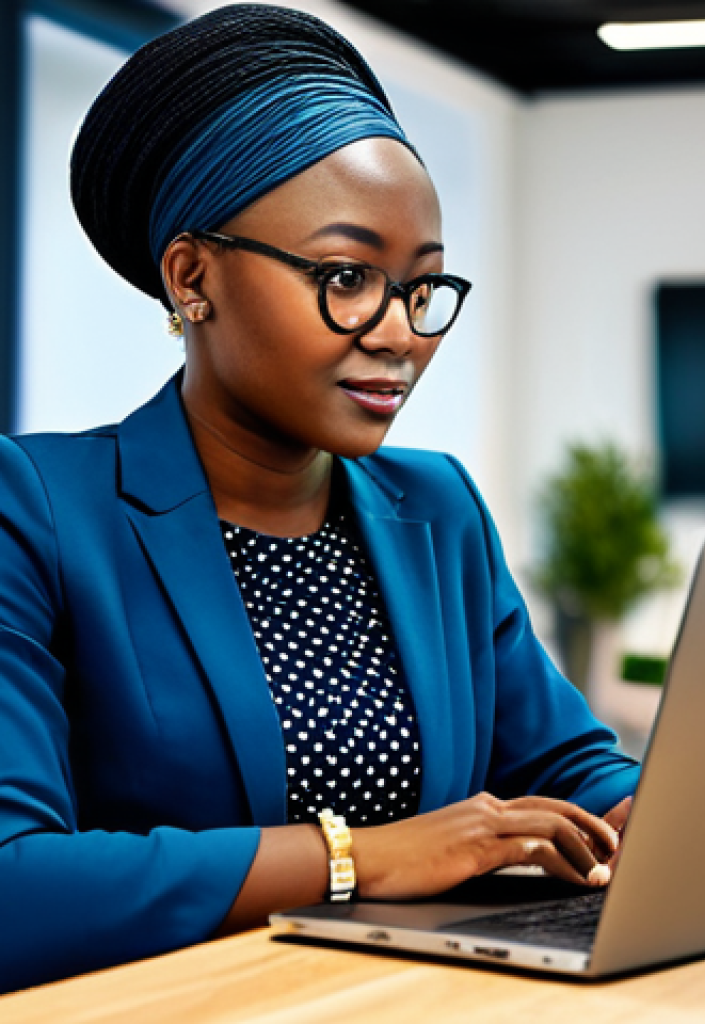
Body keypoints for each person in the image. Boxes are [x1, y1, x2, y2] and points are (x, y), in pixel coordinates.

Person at [0, 3, 639, 993]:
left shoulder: (437, 509)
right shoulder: (37, 509)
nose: (398, 333)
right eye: (347, 277)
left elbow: (572, 766)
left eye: (421, 289)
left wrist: (664, 816)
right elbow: (15, 886)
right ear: (191, 275)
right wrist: (365, 856)